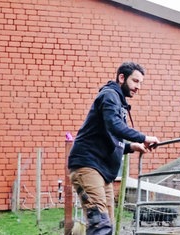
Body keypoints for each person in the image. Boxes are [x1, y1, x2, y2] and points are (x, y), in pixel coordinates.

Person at [68, 62, 160, 235]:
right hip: (88, 166)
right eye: (135, 81)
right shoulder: (109, 95)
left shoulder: (118, 101)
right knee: (100, 224)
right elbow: (114, 125)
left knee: (106, 225)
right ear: (121, 77)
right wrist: (143, 137)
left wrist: (131, 146)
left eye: (140, 83)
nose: (138, 87)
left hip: (103, 171)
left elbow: (110, 137)